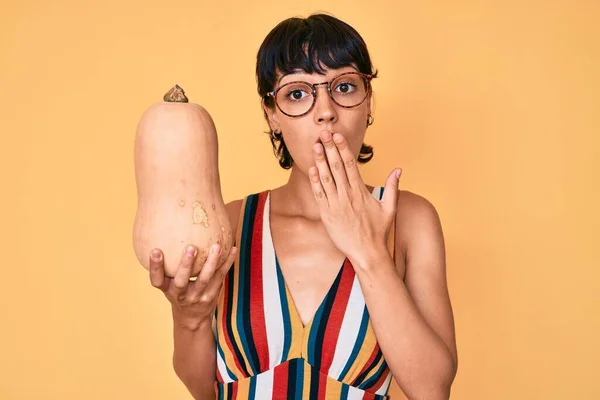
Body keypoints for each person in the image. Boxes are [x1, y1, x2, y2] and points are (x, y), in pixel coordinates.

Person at [147, 13, 458, 400]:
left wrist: (368, 253)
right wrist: (188, 319)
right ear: (272, 115)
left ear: (368, 102)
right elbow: (203, 391)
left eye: (344, 87)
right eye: (297, 93)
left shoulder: (411, 221)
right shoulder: (226, 224)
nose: (325, 110)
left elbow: (433, 390)